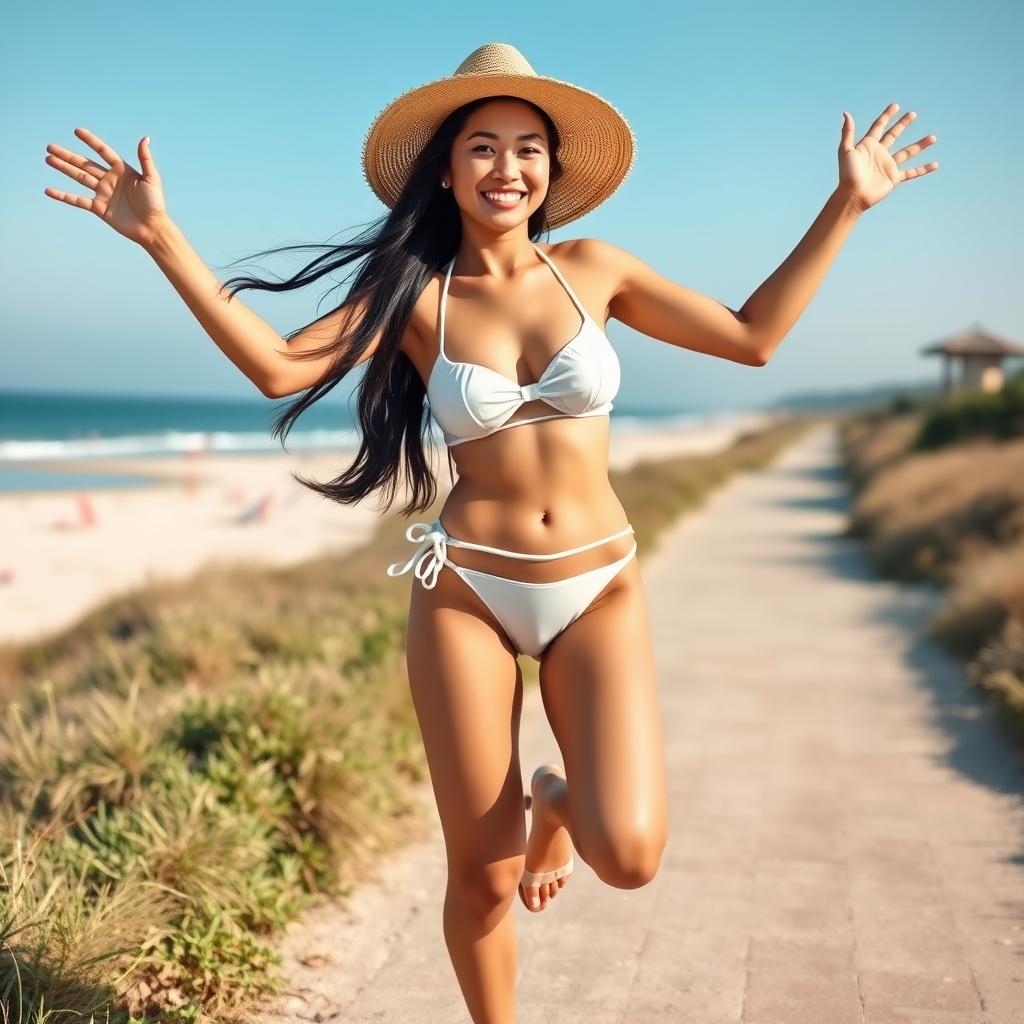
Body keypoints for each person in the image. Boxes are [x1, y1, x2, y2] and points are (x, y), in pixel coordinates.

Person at [43, 40, 938, 1024]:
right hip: (468, 587)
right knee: (479, 878)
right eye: (481, 146)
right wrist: (162, 234)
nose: (506, 168)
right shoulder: (418, 297)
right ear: (444, 166)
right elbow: (276, 368)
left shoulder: (595, 270)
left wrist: (846, 204)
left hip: (597, 583)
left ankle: (556, 800)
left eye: (526, 149)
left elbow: (754, 336)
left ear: (552, 171)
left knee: (630, 855)